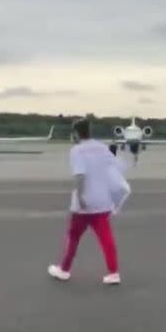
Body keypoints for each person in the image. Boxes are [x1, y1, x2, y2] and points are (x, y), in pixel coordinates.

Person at [48, 117, 125, 285]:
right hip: (102, 201)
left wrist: (81, 197)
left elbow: (80, 175)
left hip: (85, 203)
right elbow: (116, 168)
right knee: (106, 238)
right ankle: (113, 272)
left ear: (76, 133)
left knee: (73, 236)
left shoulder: (77, 150)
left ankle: (64, 269)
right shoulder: (102, 147)